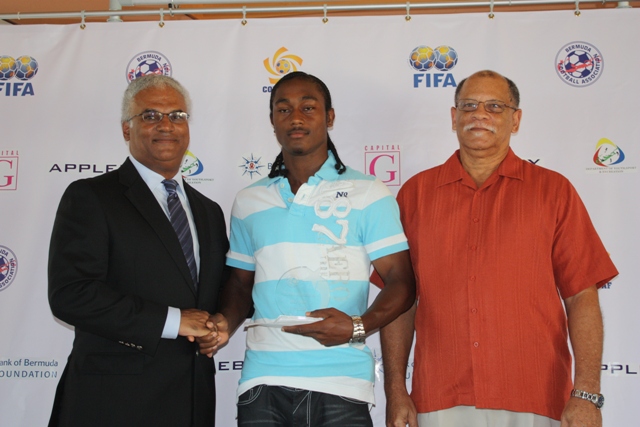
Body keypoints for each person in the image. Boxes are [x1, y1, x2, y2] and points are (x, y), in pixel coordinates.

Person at [375, 70, 619, 427]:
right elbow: (400, 299)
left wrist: (586, 394)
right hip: (441, 395)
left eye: (494, 106)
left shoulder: (553, 192)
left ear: (515, 120)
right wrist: (396, 390)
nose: (479, 114)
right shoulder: (416, 194)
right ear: (454, 117)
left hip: (535, 395)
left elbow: (582, 295)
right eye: (469, 105)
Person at [199, 71, 415, 426]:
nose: (295, 118)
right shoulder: (249, 200)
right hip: (263, 380)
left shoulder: (368, 192)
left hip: (341, 381)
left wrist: (358, 327)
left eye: (308, 107)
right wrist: (225, 322)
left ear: (329, 117)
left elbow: (402, 281)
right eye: (283, 109)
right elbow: (239, 284)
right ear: (272, 120)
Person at [48, 75, 229, 427]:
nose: (166, 125)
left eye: (177, 116)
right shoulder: (91, 197)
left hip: (192, 402)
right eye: (150, 115)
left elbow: (216, 292)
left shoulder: (209, 211)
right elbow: (71, 295)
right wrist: (174, 320)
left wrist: (221, 322)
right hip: (112, 404)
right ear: (125, 129)